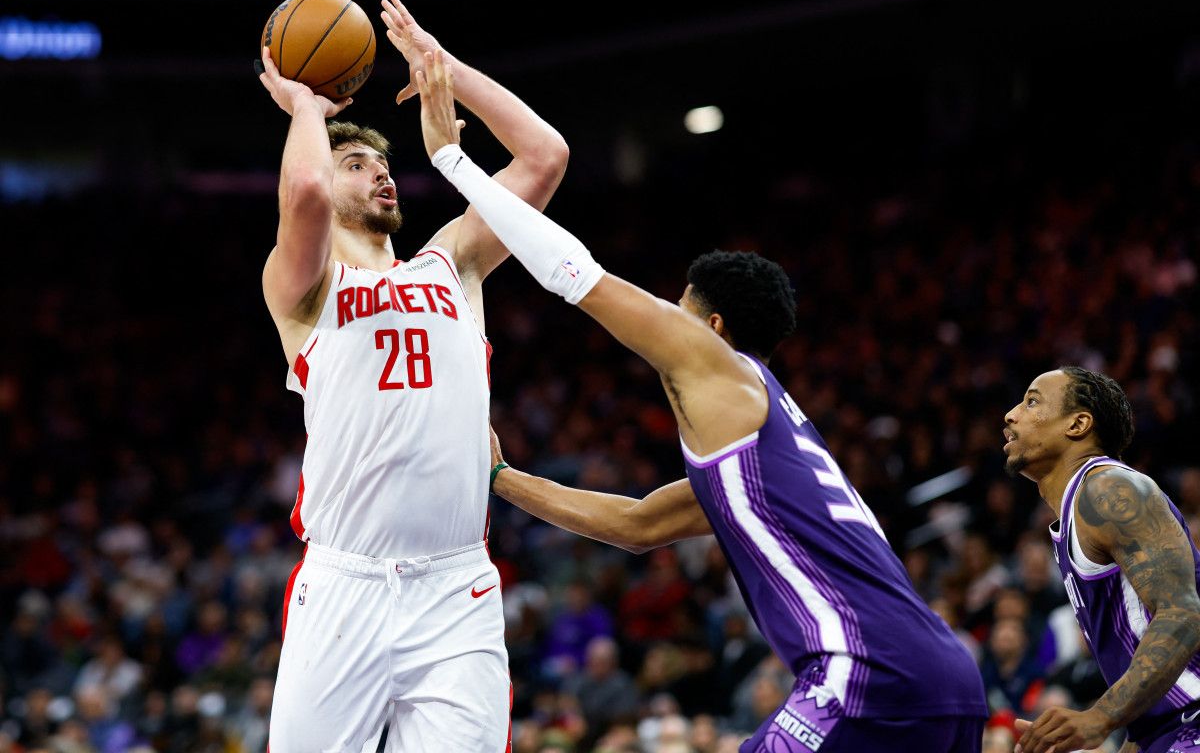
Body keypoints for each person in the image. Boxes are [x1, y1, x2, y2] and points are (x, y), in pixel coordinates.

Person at [412, 49, 987, 751]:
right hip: (941, 675)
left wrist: (451, 160)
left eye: (677, 309)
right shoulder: (761, 458)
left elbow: (573, 273)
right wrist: (503, 478)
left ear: (712, 327)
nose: (664, 322)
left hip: (868, 670)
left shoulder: (727, 372)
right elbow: (636, 525)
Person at [254, 0, 569, 751]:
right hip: (344, 584)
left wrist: (442, 66)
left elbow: (545, 156)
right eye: (356, 165)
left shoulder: (452, 261)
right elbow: (303, 192)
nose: (380, 175)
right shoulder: (304, 289)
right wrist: (307, 107)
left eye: (385, 165)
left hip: (454, 588)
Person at [1002, 367, 1200, 753]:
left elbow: (1183, 614)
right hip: (1168, 730)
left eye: (1032, 401)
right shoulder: (1078, 511)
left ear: (1077, 424)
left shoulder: (1109, 489)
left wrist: (1100, 717)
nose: (1011, 415)